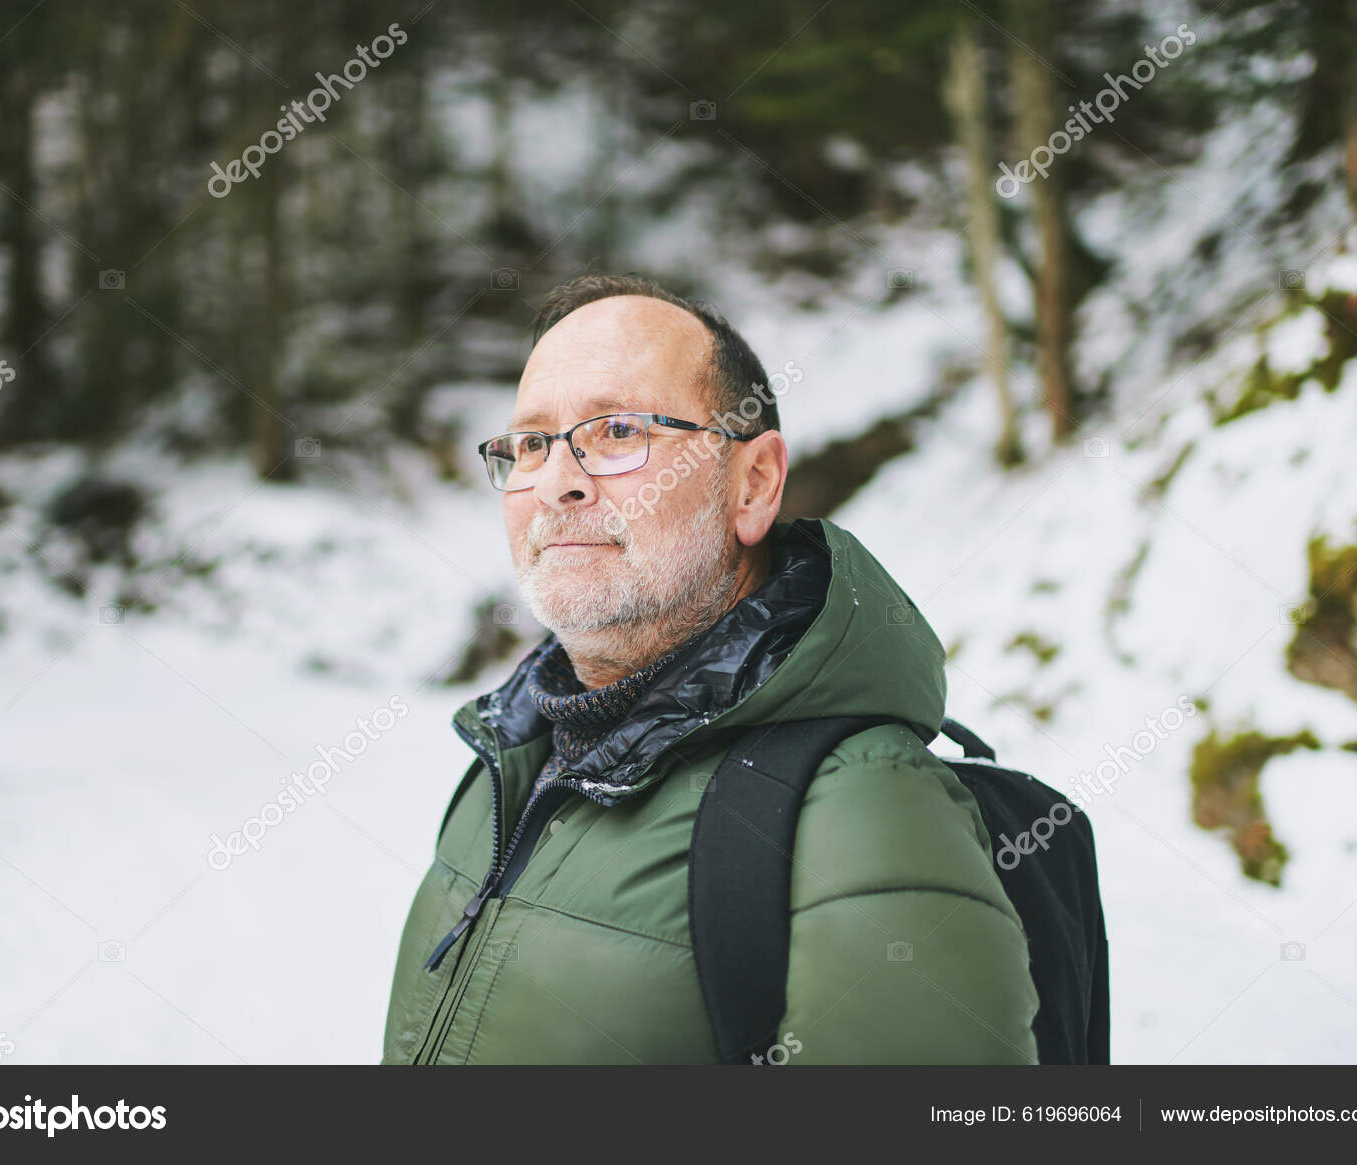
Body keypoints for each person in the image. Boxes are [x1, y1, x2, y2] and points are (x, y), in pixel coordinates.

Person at [380, 273, 1039, 1064]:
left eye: (618, 430)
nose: (557, 479)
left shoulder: (866, 815)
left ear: (753, 484)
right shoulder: (509, 759)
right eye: (529, 443)